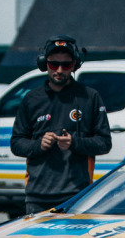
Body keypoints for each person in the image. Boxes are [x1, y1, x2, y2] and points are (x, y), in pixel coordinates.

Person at [9, 35, 112, 214]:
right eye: (53, 64)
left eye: (66, 65)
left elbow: (104, 143)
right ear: (44, 64)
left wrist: (74, 143)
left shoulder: (90, 97)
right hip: (37, 197)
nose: (59, 70)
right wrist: (38, 145)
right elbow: (16, 143)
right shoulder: (31, 99)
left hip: (77, 196)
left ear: (74, 65)